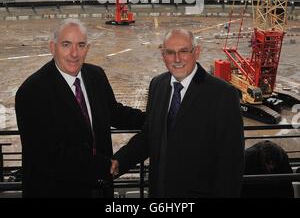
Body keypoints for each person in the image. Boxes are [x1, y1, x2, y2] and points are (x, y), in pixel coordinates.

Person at [15, 18, 145, 198]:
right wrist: (105, 166)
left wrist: (154, 118)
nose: (74, 53)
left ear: (87, 49)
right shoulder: (31, 91)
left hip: (99, 190)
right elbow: (46, 155)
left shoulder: (95, 75)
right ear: (52, 47)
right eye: (66, 44)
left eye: (81, 45)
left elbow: (114, 112)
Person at [111, 28, 245, 198]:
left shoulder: (222, 93)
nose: (177, 59)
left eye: (183, 51)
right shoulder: (158, 84)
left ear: (196, 52)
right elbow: (150, 135)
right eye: (170, 52)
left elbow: (231, 162)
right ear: (163, 55)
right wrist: (120, 161)